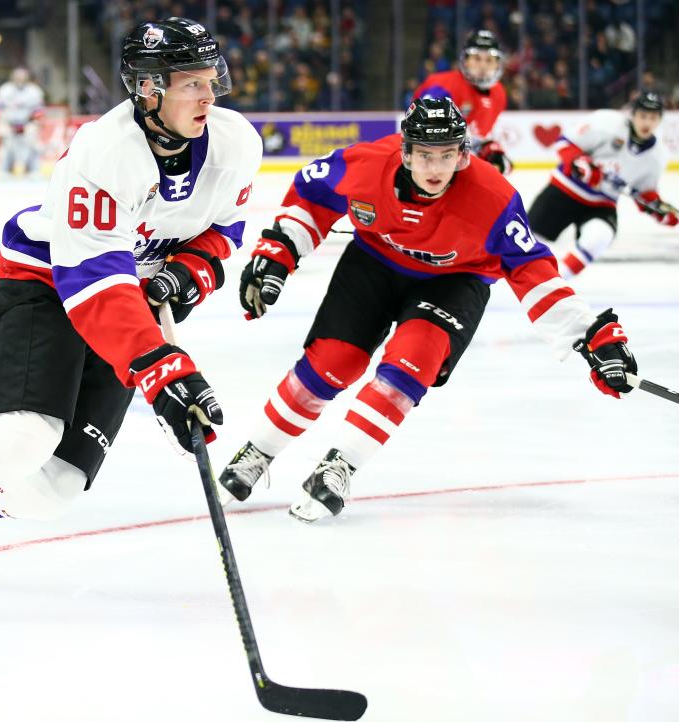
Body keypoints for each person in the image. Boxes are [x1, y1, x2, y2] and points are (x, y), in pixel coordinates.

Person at [0, 17, 262, 628]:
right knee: (24, 433)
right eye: (192, 83)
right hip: (46, 281)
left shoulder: (235, 143)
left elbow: (223, 232)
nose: (209, 95)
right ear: (148, 89)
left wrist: (182, 276)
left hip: (126, 295)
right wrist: (161, 366)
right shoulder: (102, 151)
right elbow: (91, 283)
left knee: (56, 489)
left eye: (211, 79)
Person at [216, 97, 638, 523]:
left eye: (446, 156)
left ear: (462, 154)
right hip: (375, 263)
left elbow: (533, 271)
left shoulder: (493, 198)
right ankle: (259, 450)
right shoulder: (364, 164)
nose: (435, 169)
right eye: (424, 156)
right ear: (405, 152)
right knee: (332, 362)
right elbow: (312, 195)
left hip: (457, 280)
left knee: (412, 363)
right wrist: (280, 251)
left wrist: (589, 336)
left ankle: (340, 463)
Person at [527, 90, 677, 278]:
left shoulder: (657, 156)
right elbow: (564, 143)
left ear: (660, 119)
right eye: (643, 116)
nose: (647, 123)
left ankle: (555, 283)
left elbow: (643, 193)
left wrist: (658, 209)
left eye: (653, 118)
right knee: (526, 244)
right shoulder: (607, 123)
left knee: (599, 237)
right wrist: (580, 164)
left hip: (601, 204)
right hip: (564, 192)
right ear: (633, 114)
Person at [415, 29, 512, 174]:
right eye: (476, 58)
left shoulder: (499, 93)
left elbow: (477, 138)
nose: (483, 66)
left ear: (498, 64)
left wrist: (490, 151)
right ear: (465, 60)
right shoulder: (442, 86)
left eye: (489, 60)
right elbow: (422, 133)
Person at [0, 67, 46, 177]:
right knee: (6, 147)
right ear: (13, 77)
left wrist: (29, 122)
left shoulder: (34, 91)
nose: (20, 79)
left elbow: (39, 111)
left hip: (28, 124)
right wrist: (5, 120)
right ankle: (5, 170)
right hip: (8, 124)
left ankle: (32, 170)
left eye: (22, 77)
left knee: (33, 145)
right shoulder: (4, 90)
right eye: (17, 77)